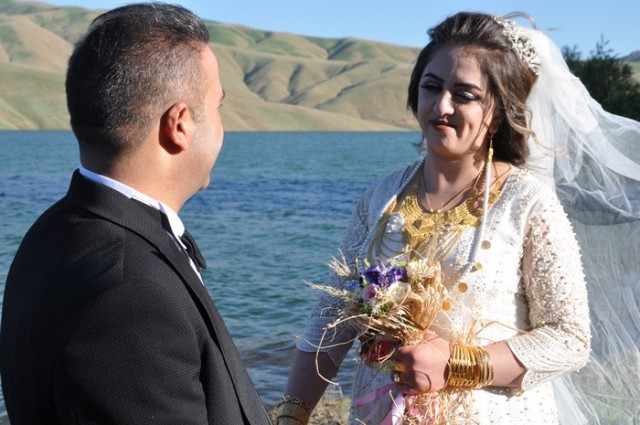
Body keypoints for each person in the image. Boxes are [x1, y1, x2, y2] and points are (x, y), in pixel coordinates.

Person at [277, 12, 640, 425]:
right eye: (431, 87)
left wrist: (457, 365)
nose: (442, 105)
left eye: (464, 95)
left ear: (498, 112)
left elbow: (569, 340)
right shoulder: (379, 199)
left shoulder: (527, 203)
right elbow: (330, 317)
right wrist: (292, 413)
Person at [0, 3, 271, 424]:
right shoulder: (132, 298)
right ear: (179, 124)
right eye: (218, 106)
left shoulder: (52, 230)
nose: (222, 125)